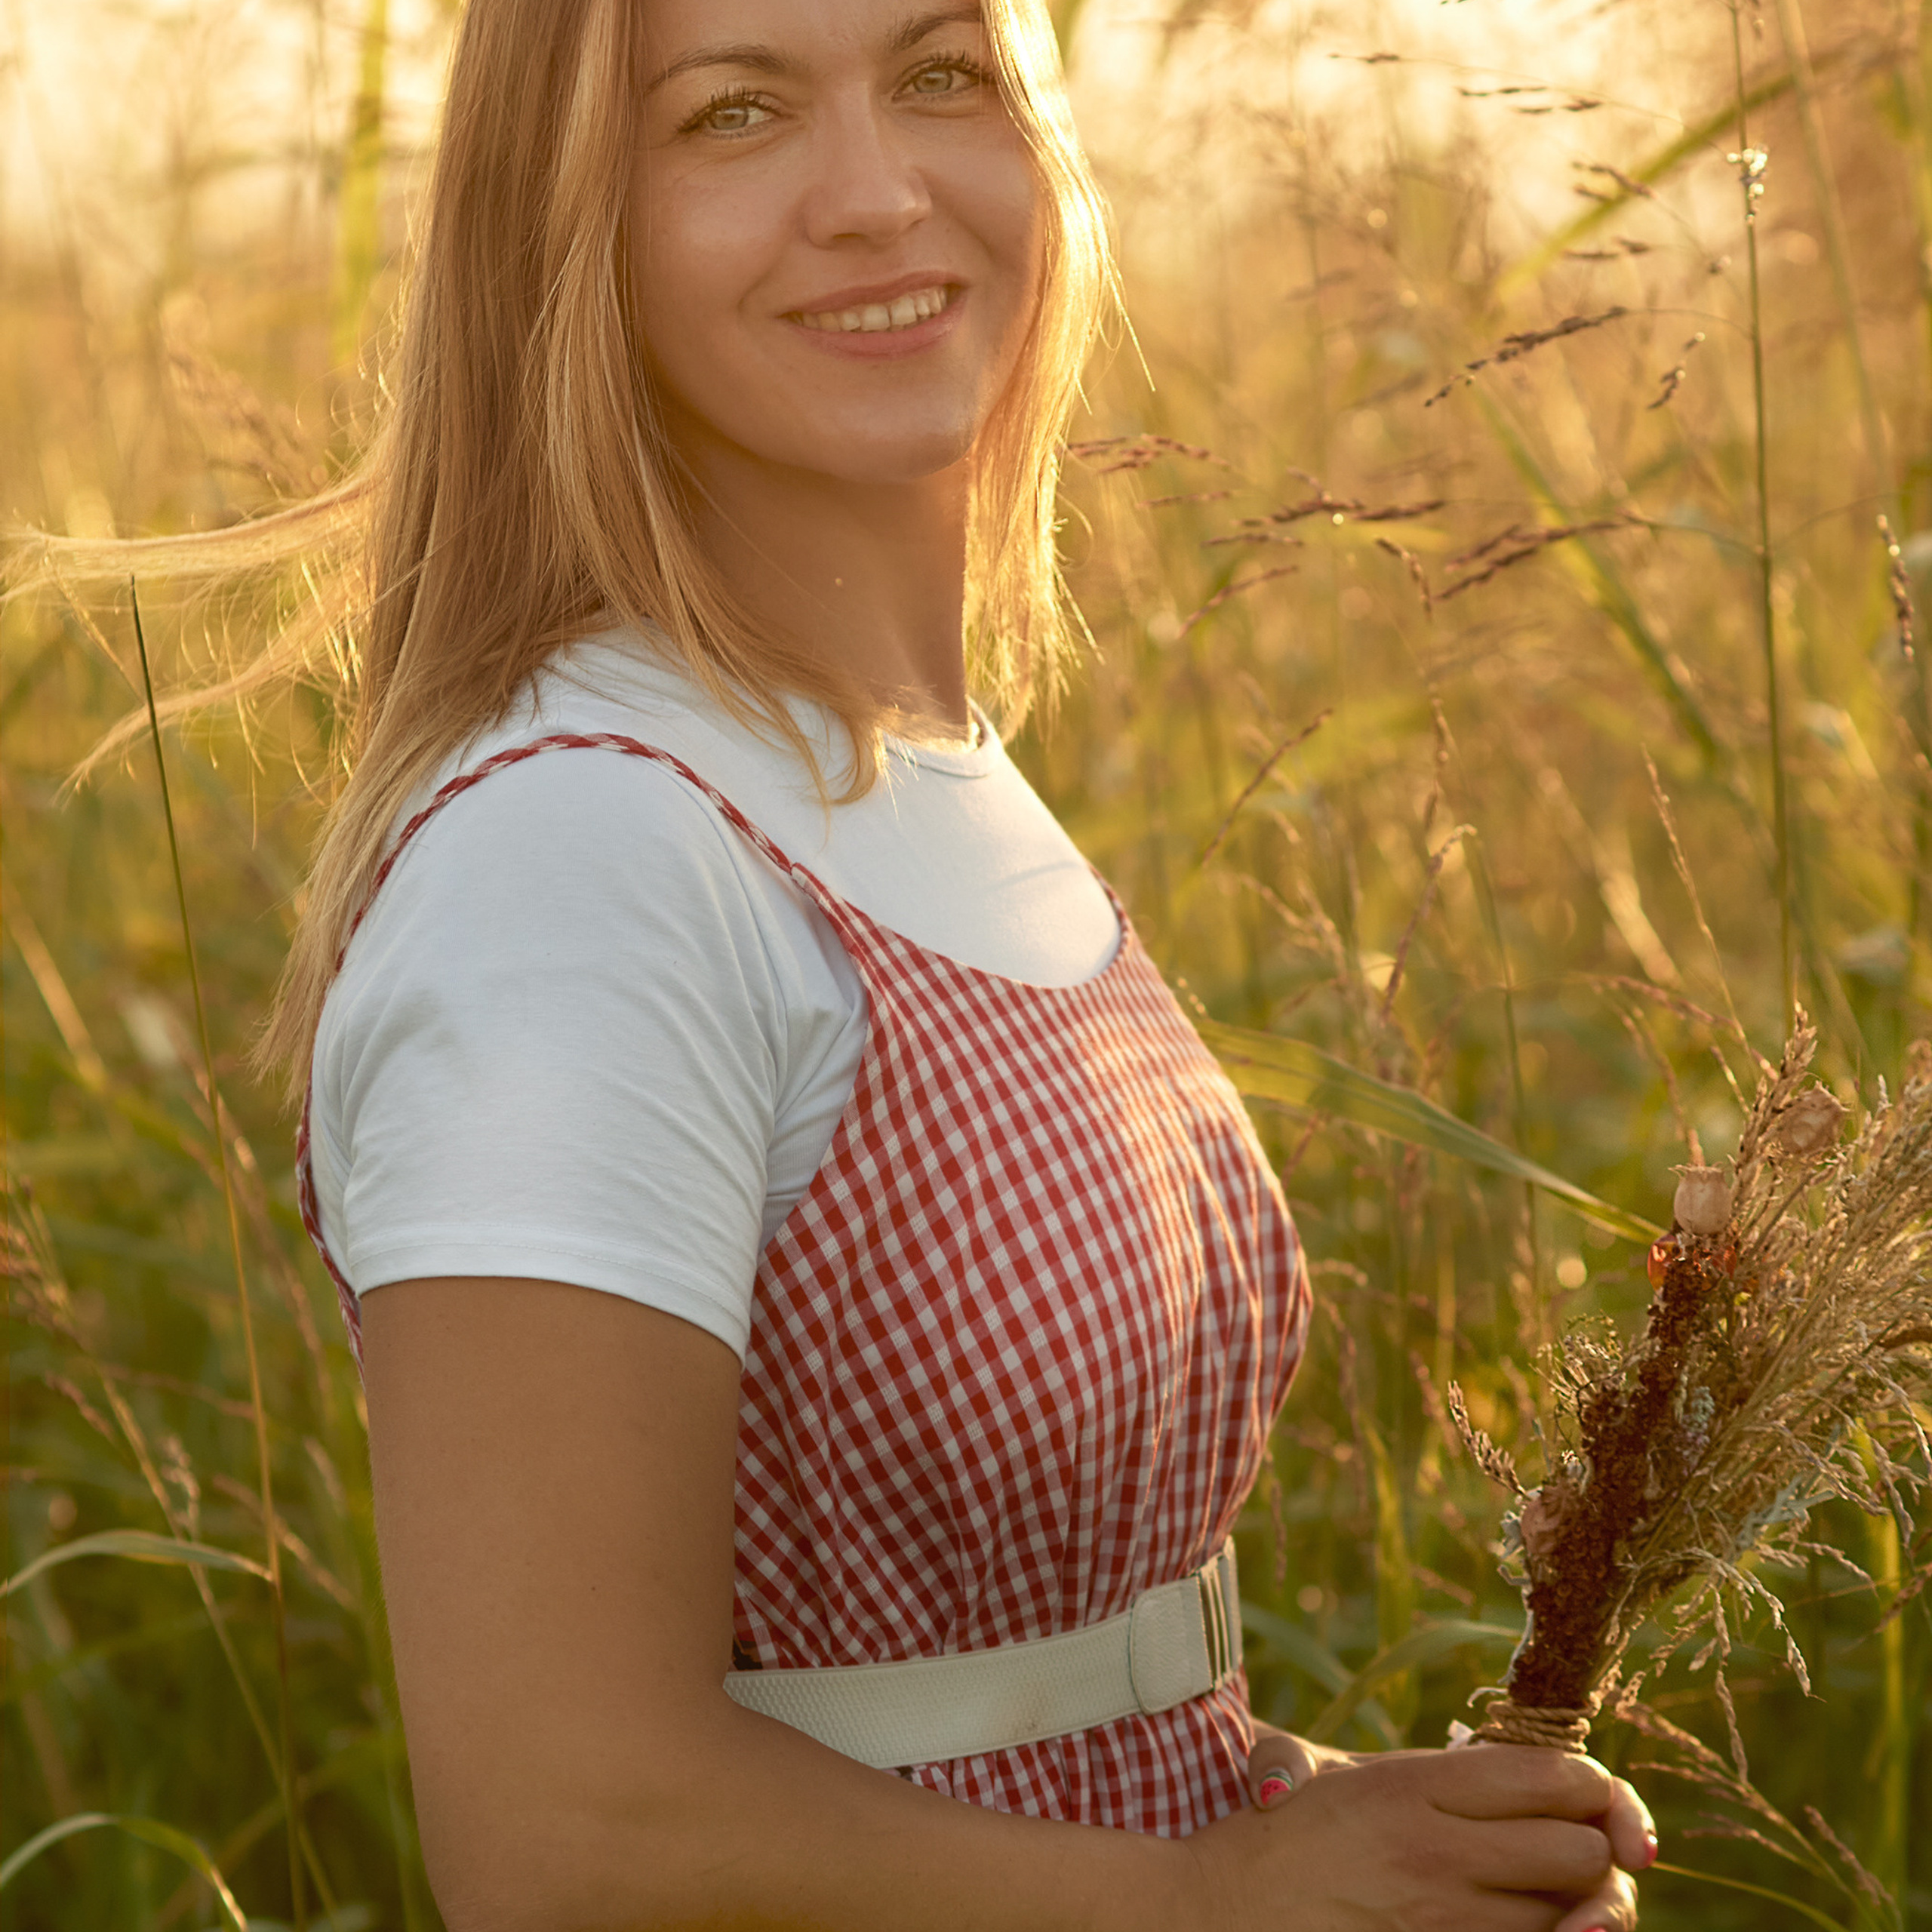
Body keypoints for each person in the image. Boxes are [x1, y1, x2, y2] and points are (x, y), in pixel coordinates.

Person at [223, 1, 1656, 1925]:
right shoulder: (585, 859)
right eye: (732, 115)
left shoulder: (931, 774)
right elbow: (565, 1828)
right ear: (566, 227)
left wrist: (1332, 1835)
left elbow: (1019, 1683)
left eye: (938, 76)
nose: (877, 193)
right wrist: (1212, 1908)